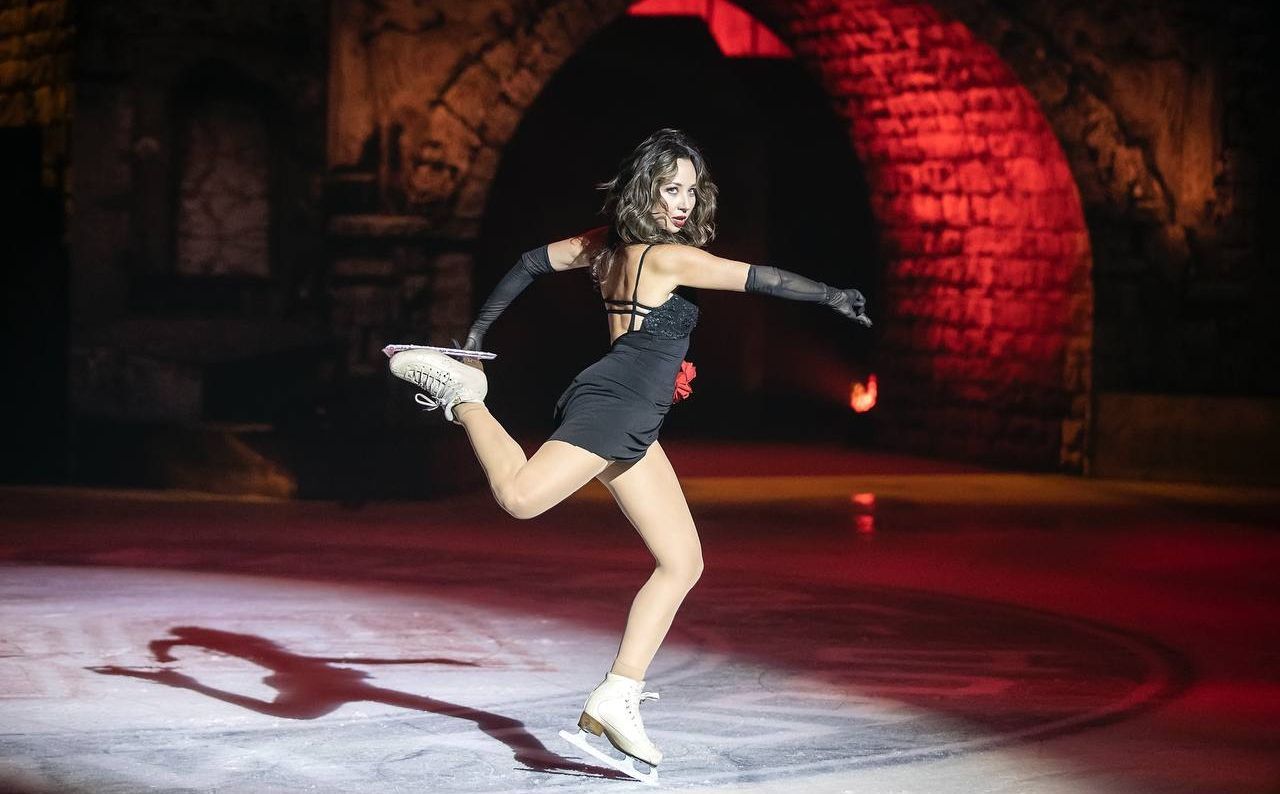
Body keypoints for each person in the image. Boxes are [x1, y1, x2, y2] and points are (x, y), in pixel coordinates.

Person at [388, 128, 870, 782]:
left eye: (691, 190)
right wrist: (831, 295)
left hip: (635, 413)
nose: (683, 202)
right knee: (521, 498)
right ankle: (465, 397)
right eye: (671, 188)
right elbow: (759, 279)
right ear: (646, 189)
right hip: (618, 404)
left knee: (683, 561)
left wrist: (478, 328)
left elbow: (530, 262)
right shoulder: (668, 259)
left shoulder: (605, 246)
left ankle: (617, 694)